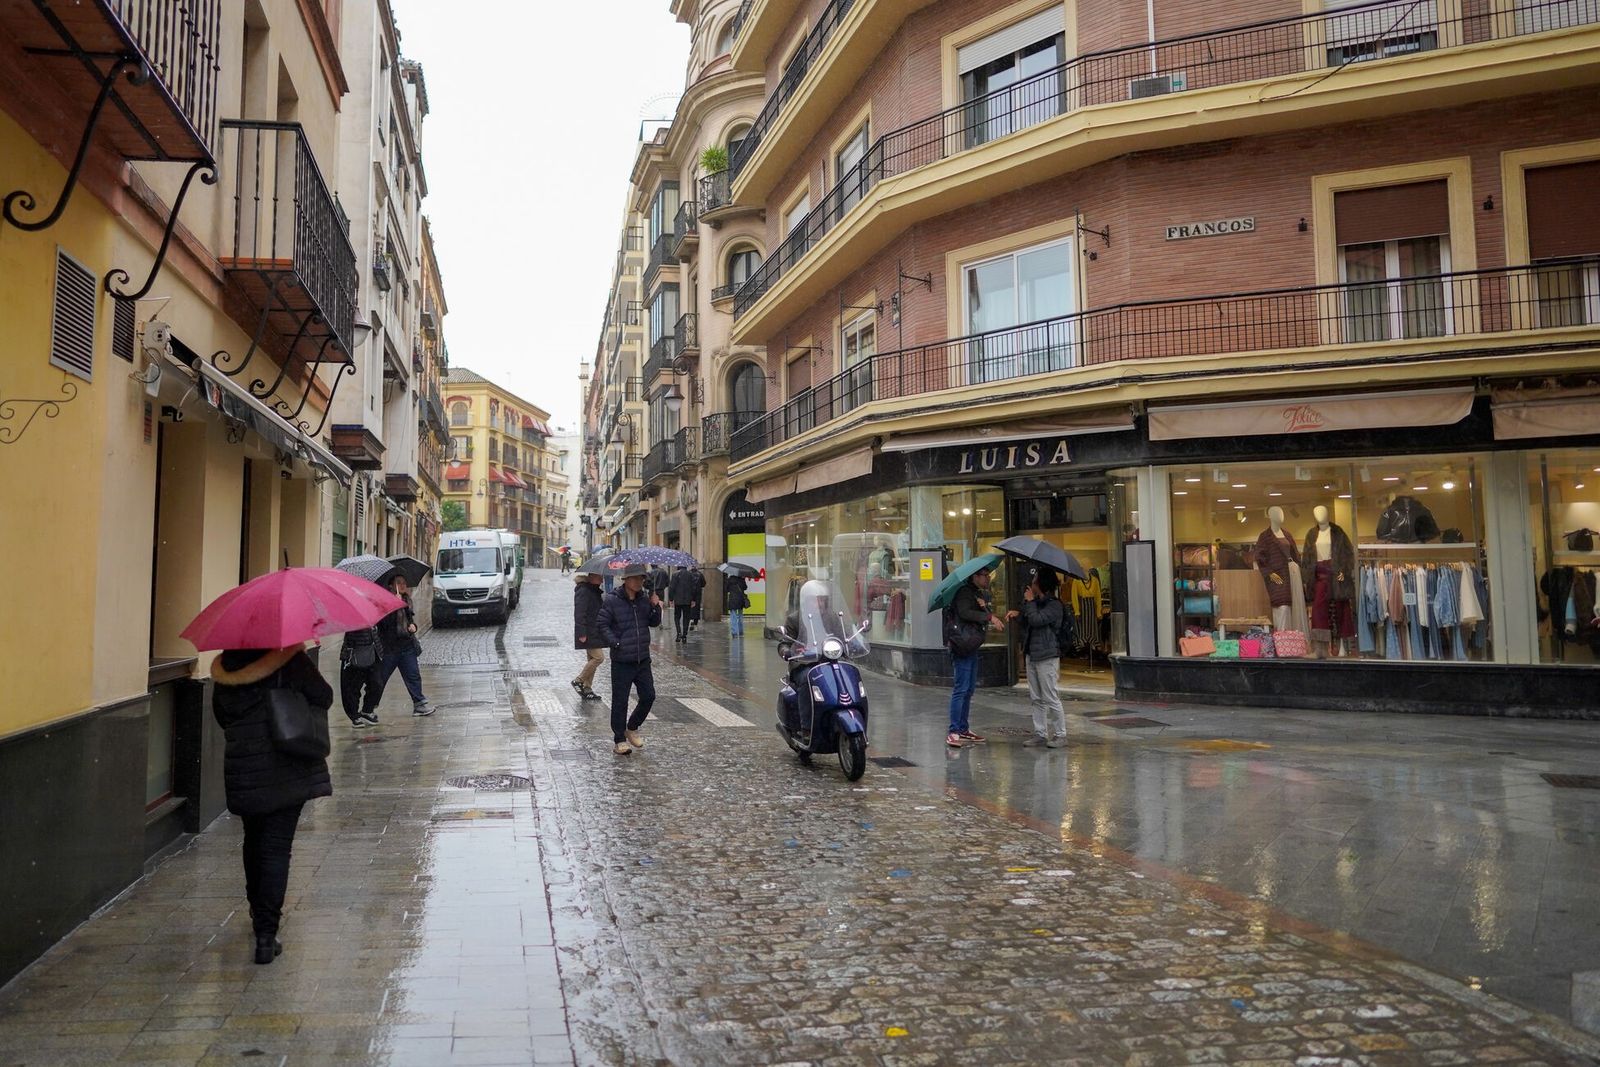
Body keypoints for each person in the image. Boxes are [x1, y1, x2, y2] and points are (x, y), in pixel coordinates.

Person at [210, 643, 333, 965]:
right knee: (277, 848)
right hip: (286, 764)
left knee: (253, 840)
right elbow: (324, 695)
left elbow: (222, 716)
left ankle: (257, 909)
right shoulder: (290, 658)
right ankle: (266, 935)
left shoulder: (226, 667)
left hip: (244, 766)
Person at [595, 562, 662, 755]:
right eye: (636, 578)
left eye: (642, 578)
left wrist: (656, 606)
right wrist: (615, 643)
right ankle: (619, 740)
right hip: (622, 660)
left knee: (649, 696)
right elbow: (602, 624)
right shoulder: (612, 600)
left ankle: (632, 727)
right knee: (620, 701)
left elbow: (654, 622)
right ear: (626, 580)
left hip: (642, 658)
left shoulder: (644, 600)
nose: (640, 582)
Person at [1008, 569, 1067, 748]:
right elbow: (1028, 621)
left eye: (1034, 580)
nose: (1032, 583)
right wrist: (1019, 614)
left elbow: (1037, 620)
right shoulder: (1037, 603)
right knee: (1036, 697)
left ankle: (1061, 734)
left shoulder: (1054, 605)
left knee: (1050, 695)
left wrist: (1030, 602)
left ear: (1041, 584)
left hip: (1047, 655)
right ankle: (1040, 733)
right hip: (1032, 653)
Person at [947, 565, 1004, 748]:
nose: (988, 578)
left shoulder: (976, 593)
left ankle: (963, 728)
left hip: (971, 645)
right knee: (961, 688)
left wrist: (984, 608)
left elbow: (978, 614)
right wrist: (988, 617)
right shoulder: (964, 592)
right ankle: (954, 731)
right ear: (975, 577)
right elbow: (965, 613)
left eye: (988, 575)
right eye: (985, 575)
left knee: (969, 689)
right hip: (962, 646)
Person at [377, 575, 432, 716]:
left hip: (407, 646)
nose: (403, 585)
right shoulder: (384, 602)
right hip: (390, 648)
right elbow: (384, 625)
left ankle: (419, 704)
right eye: (399, 583)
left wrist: (413, 626)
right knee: (380, 679)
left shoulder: (406, 600)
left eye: (404, 583)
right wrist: (394, 606)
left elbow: (409, 620)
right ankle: (369, 708)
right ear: (391, 586)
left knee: (413, 675)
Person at [338, 623, 384, 728]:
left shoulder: (371, 618)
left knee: (377, 684)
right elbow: (349, 637)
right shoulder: (352, 621)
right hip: (353, 655)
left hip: (372, 653)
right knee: (352, 688)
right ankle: (354, 715)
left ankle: (367, 710)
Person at [571, 571, 605, 700]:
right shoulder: (584, 590)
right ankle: (578, 680)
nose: (602, 579)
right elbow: (579, 612)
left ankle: (587, 688)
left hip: (595, 630)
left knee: (592, 659)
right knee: (598, 658)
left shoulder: (593, 590)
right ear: (591, 577)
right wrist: (581, 632)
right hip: (588, 631)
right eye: (599, 577)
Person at [668, 565, 698, 643]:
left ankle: (678, 633)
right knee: (686, 617)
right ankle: (684, 635)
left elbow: (672, 587)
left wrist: (671, 599)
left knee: (677, 617)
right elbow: (694, 588)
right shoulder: (690, 575)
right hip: (688, 600)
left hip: (677, 600)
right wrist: (693, 599)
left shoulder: (675, 574)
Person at [725, 572, 749, 637]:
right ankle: (741, 632)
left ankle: (734, 633)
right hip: (740, 600)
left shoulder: (729, 579)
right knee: (740, 616)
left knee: (733, 616)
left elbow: (726, 589)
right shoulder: (741, 579)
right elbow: (745, 587)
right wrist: (743, 579)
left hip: (732, 600)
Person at [689, 565, 706, 631]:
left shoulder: (688, 574)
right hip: (697, 594)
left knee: (690, 607)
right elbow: (704, 584)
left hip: (690, 594)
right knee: (697, 609)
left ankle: (691, 620)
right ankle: (695, 625)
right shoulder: (700, 574)